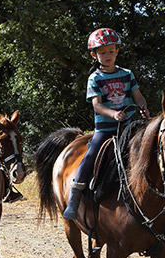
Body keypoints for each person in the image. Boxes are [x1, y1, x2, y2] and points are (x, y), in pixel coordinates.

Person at [62, 27, 149, 220]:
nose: (107, 55)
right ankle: (74, 197)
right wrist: (113, 114)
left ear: (117, 51)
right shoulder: (95, 78)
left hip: (129, 126)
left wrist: (142, 106)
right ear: (94, 55)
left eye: (111, 51)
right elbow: (97, 106)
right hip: (105, 128)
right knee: (92, 154)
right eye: (102, 52)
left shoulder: (127, 74)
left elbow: (138, 96)